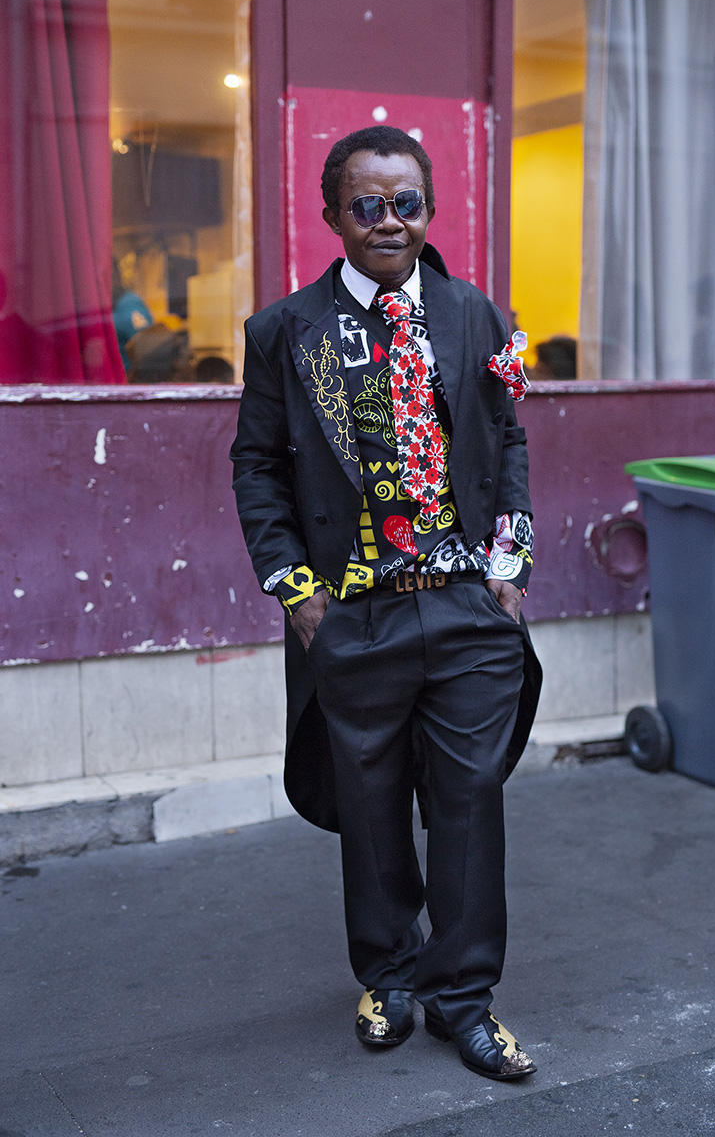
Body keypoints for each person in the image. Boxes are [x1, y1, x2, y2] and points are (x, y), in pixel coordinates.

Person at [230, 126, 542, 1081]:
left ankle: (465, 999)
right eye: (367, 206)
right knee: (370, 811)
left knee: (469, 804)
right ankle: (389, 978)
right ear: (333, 217)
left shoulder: (473, 312)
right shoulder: (285, 331)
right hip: (354, 613)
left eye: (406, 203)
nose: (389, 222)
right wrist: (297, 594)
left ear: (429, 209)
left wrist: (509, 565)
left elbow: (508, 438)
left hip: (467, 609)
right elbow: (256, 469)